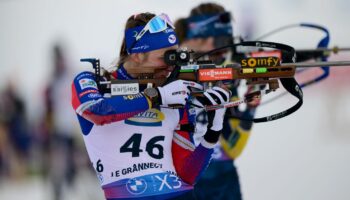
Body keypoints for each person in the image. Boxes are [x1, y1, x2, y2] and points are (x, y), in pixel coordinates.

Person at [71, 12, 230, 200]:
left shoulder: (175, 96)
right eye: (166, 57)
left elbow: (186, 175)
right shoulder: (93, 82)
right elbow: (97, 111)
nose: (173, 65)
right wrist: (157, 96)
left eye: (176, 55)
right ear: (138, 55)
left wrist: (213, 132)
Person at [175, 3, 260, 200]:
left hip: (221, 178)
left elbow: (233, 149)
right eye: (222, 40)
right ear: (201, 37)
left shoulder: (230, 68)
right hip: (180, 179)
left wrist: (250, 110)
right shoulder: (166, 65)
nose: (225, 48)